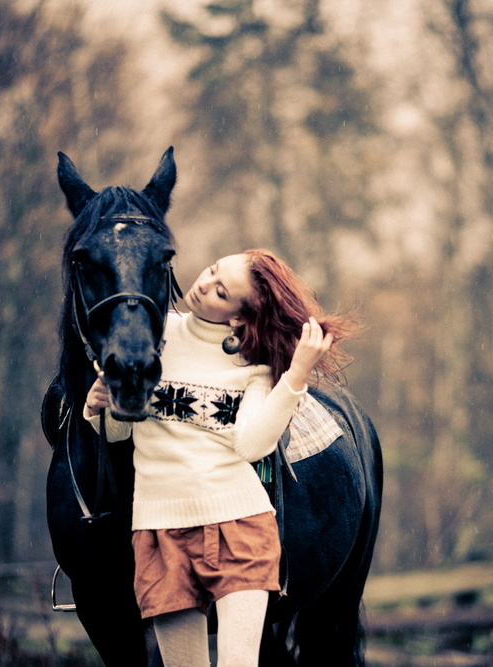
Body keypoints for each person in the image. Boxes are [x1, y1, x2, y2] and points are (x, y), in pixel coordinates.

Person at [84, 249, 357, 667]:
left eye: (221, 291)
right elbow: (120, 432)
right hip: (160, 532)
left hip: (239, 526)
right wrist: (98, 405)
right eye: (212, 271)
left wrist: (296, 374)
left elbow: (251, 445)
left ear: (237, 318)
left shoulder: (251, 366)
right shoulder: (152, 337)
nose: (203, 284)